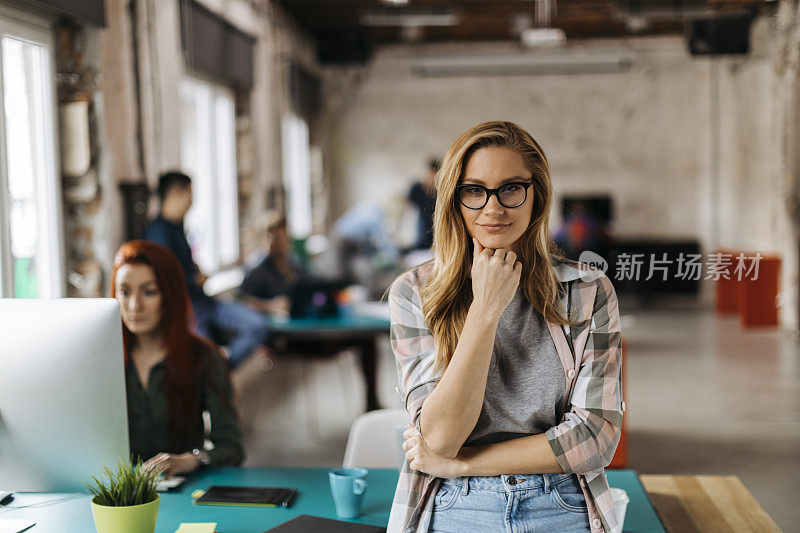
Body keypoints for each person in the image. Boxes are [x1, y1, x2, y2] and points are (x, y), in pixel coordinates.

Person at [387, 121, 624, 533]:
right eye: (474, 190)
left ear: (537, 195)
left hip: (561, 502)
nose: (492, 209)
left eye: (511, 188)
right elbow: (440, 436)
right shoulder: (413, 293)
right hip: (453, 503)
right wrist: (485, 310)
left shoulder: (588, 291)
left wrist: (461, 464)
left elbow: (594, 436)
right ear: (454, 201)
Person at [111, 240, 244, 476]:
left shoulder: (203, 357)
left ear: (169, 295)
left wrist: (193, 460)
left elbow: (232, 447)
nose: (134, 305)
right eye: (125, 291)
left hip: (184, 489)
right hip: (118, 495)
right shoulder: (104, 361)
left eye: (149, 292)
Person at [144, 171, 271, 369]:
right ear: (176, 194)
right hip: (187, 310)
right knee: (205, 360)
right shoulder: (158, 234)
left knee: (256, 326)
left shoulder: (177, 228)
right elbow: (163, 281)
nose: (192, 201)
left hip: (205, 302)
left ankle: (222, 372)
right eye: (190, 194)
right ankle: (216, 376)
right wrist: (194, 279)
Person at [239, 216, 306, 316]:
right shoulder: (256, 272)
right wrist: (269, 306)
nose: (282, 244)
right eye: (277, 239)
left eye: (284, 239)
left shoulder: (294, 267)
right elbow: (243, 302)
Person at [407, 159, 439, 250]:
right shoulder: (417, 189)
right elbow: (408, 210)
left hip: (434, 240)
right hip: (419, 238)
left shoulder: (440, 193)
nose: (430, 177)